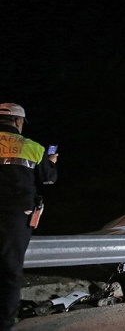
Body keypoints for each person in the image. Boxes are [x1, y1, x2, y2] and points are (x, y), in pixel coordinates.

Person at [0, 103, 58, 330]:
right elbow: (48, 180)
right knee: (10, 270)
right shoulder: (33, 148)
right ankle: (5, 323)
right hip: (15, 216)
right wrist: (51, 164)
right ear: (18, 122)